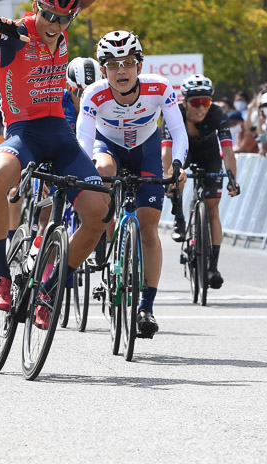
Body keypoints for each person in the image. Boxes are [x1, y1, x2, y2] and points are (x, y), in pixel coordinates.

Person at [0, 0, 127, 322]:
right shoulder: (22, 33)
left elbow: (81, 3)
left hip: (59, 135)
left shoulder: (60, 25)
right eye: (47, 15)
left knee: (99, 213)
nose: (54, 24)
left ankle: (50, 289)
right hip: (23, 133)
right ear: (36, 7)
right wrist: (4, 28)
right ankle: (1, 279)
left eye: (62, 19)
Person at [76, 31, 186, 338]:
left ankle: (146, 306)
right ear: (103, 70)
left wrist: (177, 165)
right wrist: (83, 171)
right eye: (112, 64)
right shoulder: (94, 94)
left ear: (139, 65)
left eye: (128, 63)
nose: (121, 70)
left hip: (146, 152)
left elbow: (178, 131)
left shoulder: (159, 88)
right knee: (103, 170)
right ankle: (110, 251)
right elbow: (83, 138)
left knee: (149, 229)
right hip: (107, 148)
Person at [164, 74, 240, 288]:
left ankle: (213, 267)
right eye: (196, 102)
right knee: (176, 178)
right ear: (184, 102)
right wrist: (169, 179)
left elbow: (227, 149)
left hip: (209, 156)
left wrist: (232, 178)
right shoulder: (174, 114)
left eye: (206, 102)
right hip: (183, 152)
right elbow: (166, 152)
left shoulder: (218, 114)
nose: (201, 108)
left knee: (213, 209)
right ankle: (178, 218)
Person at [63, 56, 101, 132]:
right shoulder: (58, 101)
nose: (85, 97)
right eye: (80, 92)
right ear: (68, 88)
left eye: (92, 92)